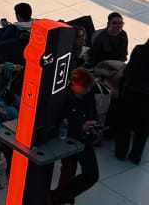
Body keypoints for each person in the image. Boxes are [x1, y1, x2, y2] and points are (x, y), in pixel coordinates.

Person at [51, 68, 101, 205]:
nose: (88, 90)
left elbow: (93, 111)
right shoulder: (63, 99)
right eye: (86, 87)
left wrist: (93, 124)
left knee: (92, 174)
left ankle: (59, 196)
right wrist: (80, 127)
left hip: (84, 137)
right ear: (75, 84)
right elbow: (59, 124)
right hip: (68, 139)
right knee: (69, 169)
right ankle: (60, 198)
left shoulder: (88, 94)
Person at [115, 37, 149, 165]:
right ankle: (136, 156)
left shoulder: (139, 50)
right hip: (147, 97)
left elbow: (129, 71)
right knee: (142, 129)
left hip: (131, 93)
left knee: (124, 124)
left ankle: (121, 152)